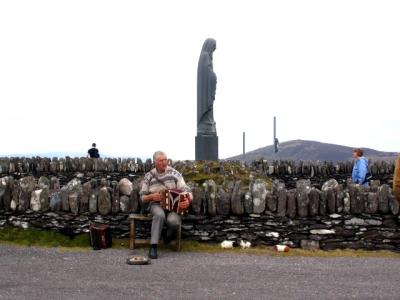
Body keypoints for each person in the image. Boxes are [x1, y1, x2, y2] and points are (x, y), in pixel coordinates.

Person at [140, 151, 192, 259]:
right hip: (156, 204)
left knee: (173, 221)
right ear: (155, 162)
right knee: (159, 215)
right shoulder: (149, 176)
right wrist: (151, 197)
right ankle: (153, 246)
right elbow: (142, 197)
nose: (165, 162)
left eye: (166, 160)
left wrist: (188, 200)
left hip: (174, 205)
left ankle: (168, 235)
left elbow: (187, 190)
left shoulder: (175, 173)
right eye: (161, 160)